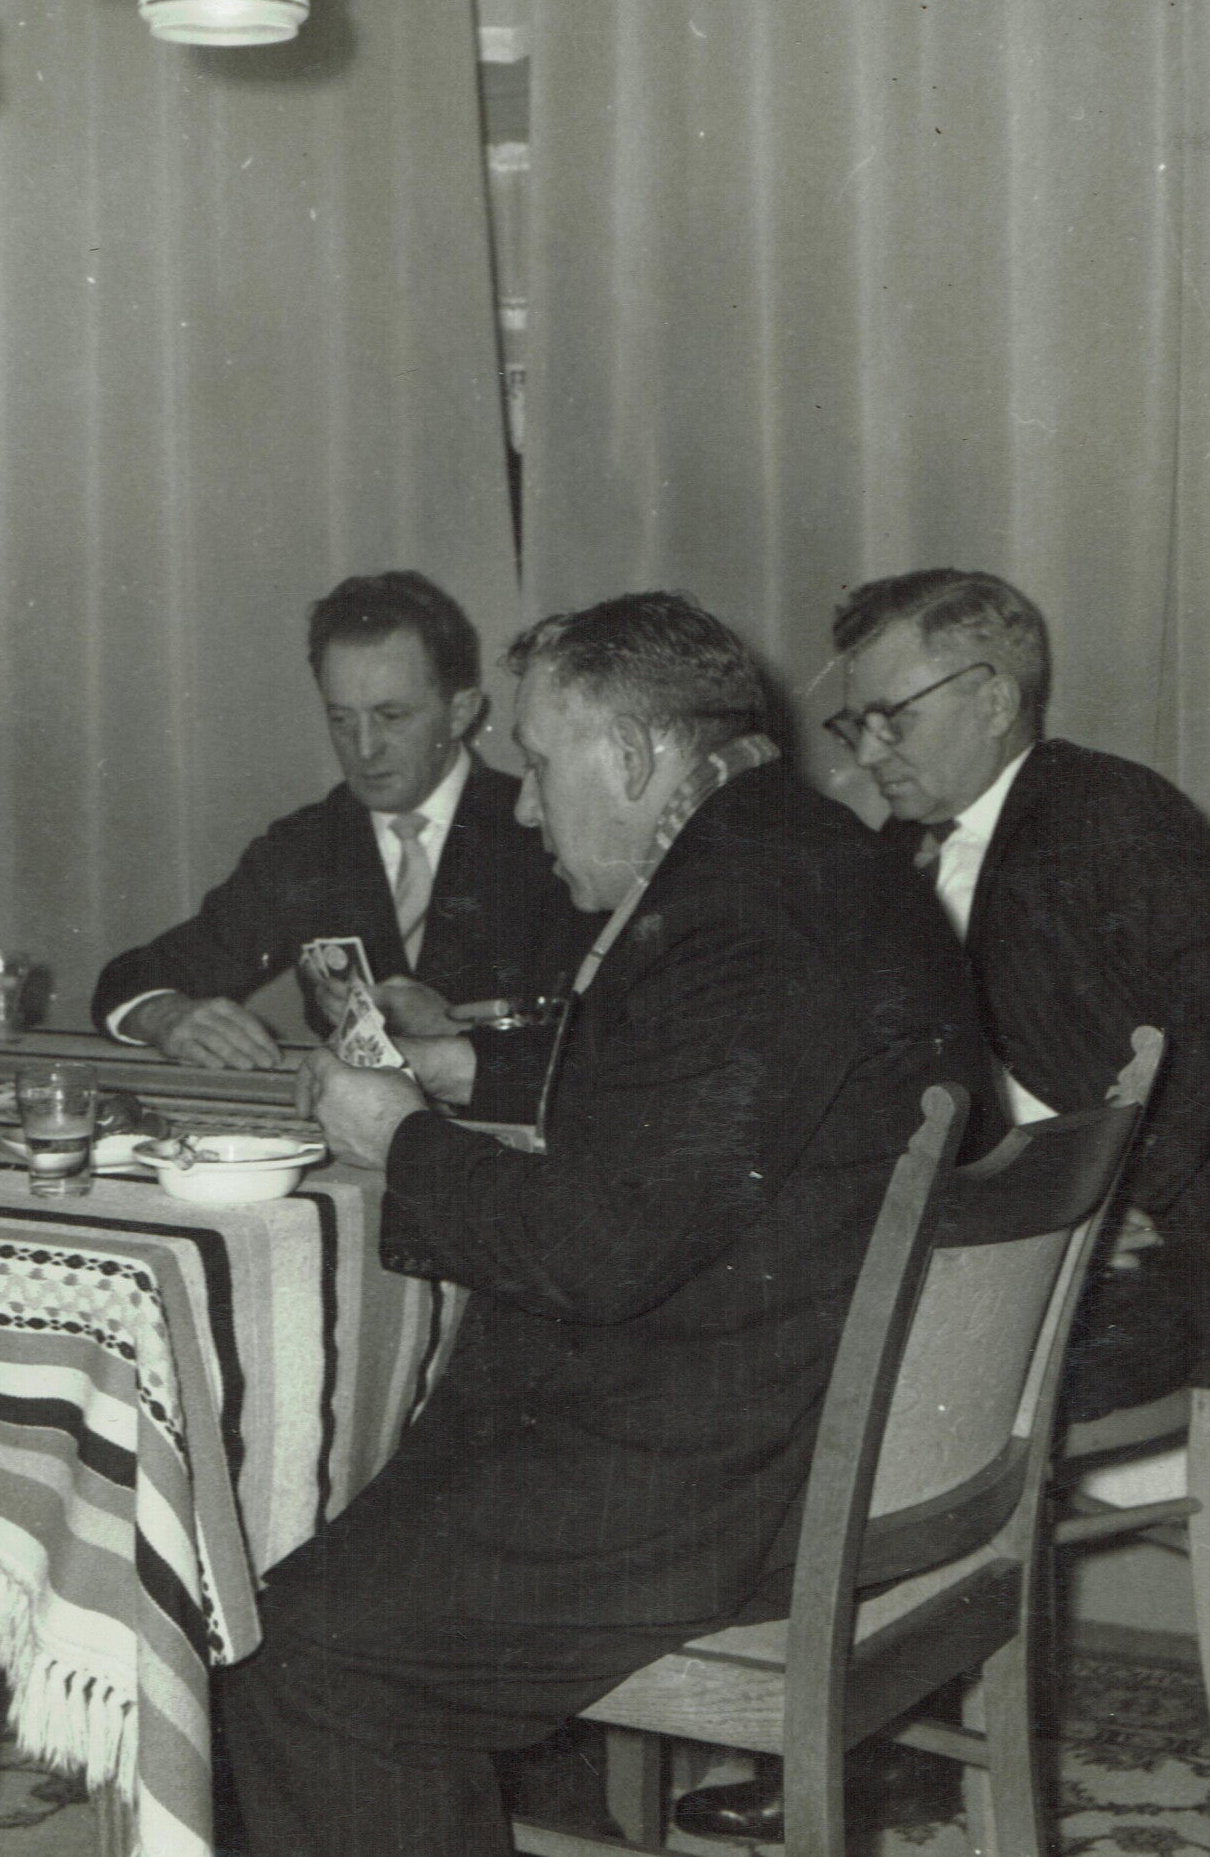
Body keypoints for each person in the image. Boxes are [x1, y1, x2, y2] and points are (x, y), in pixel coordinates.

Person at [219, 591, 992, 1857]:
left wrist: (397, 1135)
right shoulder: (800, 849)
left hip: (716, 1471)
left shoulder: (738, 910)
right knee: (355, 1533)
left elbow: (597, 1248)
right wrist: (477, 1071)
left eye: (537, 763)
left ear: (632, 755)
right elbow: (721, 1093)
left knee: (295, 1653)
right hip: (797, 1405)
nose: (526, 807)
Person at [675, 565, 1210, 1842]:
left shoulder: (1099, 811)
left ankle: (869, 1733)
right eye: (855, 721)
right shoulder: (903, 851)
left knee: (854, 1383)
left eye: (892, 716)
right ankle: (803, 1699)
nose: (867, 749)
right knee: (750, 1337)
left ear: (993, 696)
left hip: (1137, 1278)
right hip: (968, 1262)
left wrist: (1131, 1182)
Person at [90, 570, 580, 1083]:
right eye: (342, 719)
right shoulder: (304, 846)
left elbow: (603, 1055)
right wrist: (166, 1016)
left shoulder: (545, 835)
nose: (364, 749)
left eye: (392, 716)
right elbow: (131, 979)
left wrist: (458, 1035)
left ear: (460, 712)